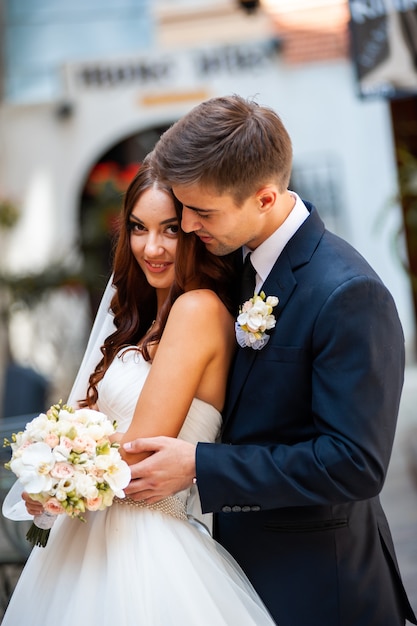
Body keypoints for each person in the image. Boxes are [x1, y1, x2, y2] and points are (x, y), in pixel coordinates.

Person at [121, 95, 417, 626]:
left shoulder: (348, 293)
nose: (186, 225)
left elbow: (354, 464)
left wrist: (200, 466)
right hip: (226, 574)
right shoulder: (229, 262)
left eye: (201, 211)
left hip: (318, 587)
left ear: (263, 198)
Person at [1, 159, 276, 625]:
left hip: (146, 543)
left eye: (170, 229)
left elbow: (138, 450)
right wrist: (48, 479)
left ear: (195, 230)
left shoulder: (198, 310)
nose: (152, 247)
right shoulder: (143, 322)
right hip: (91, 539)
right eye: (137, 228)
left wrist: (54, 471)